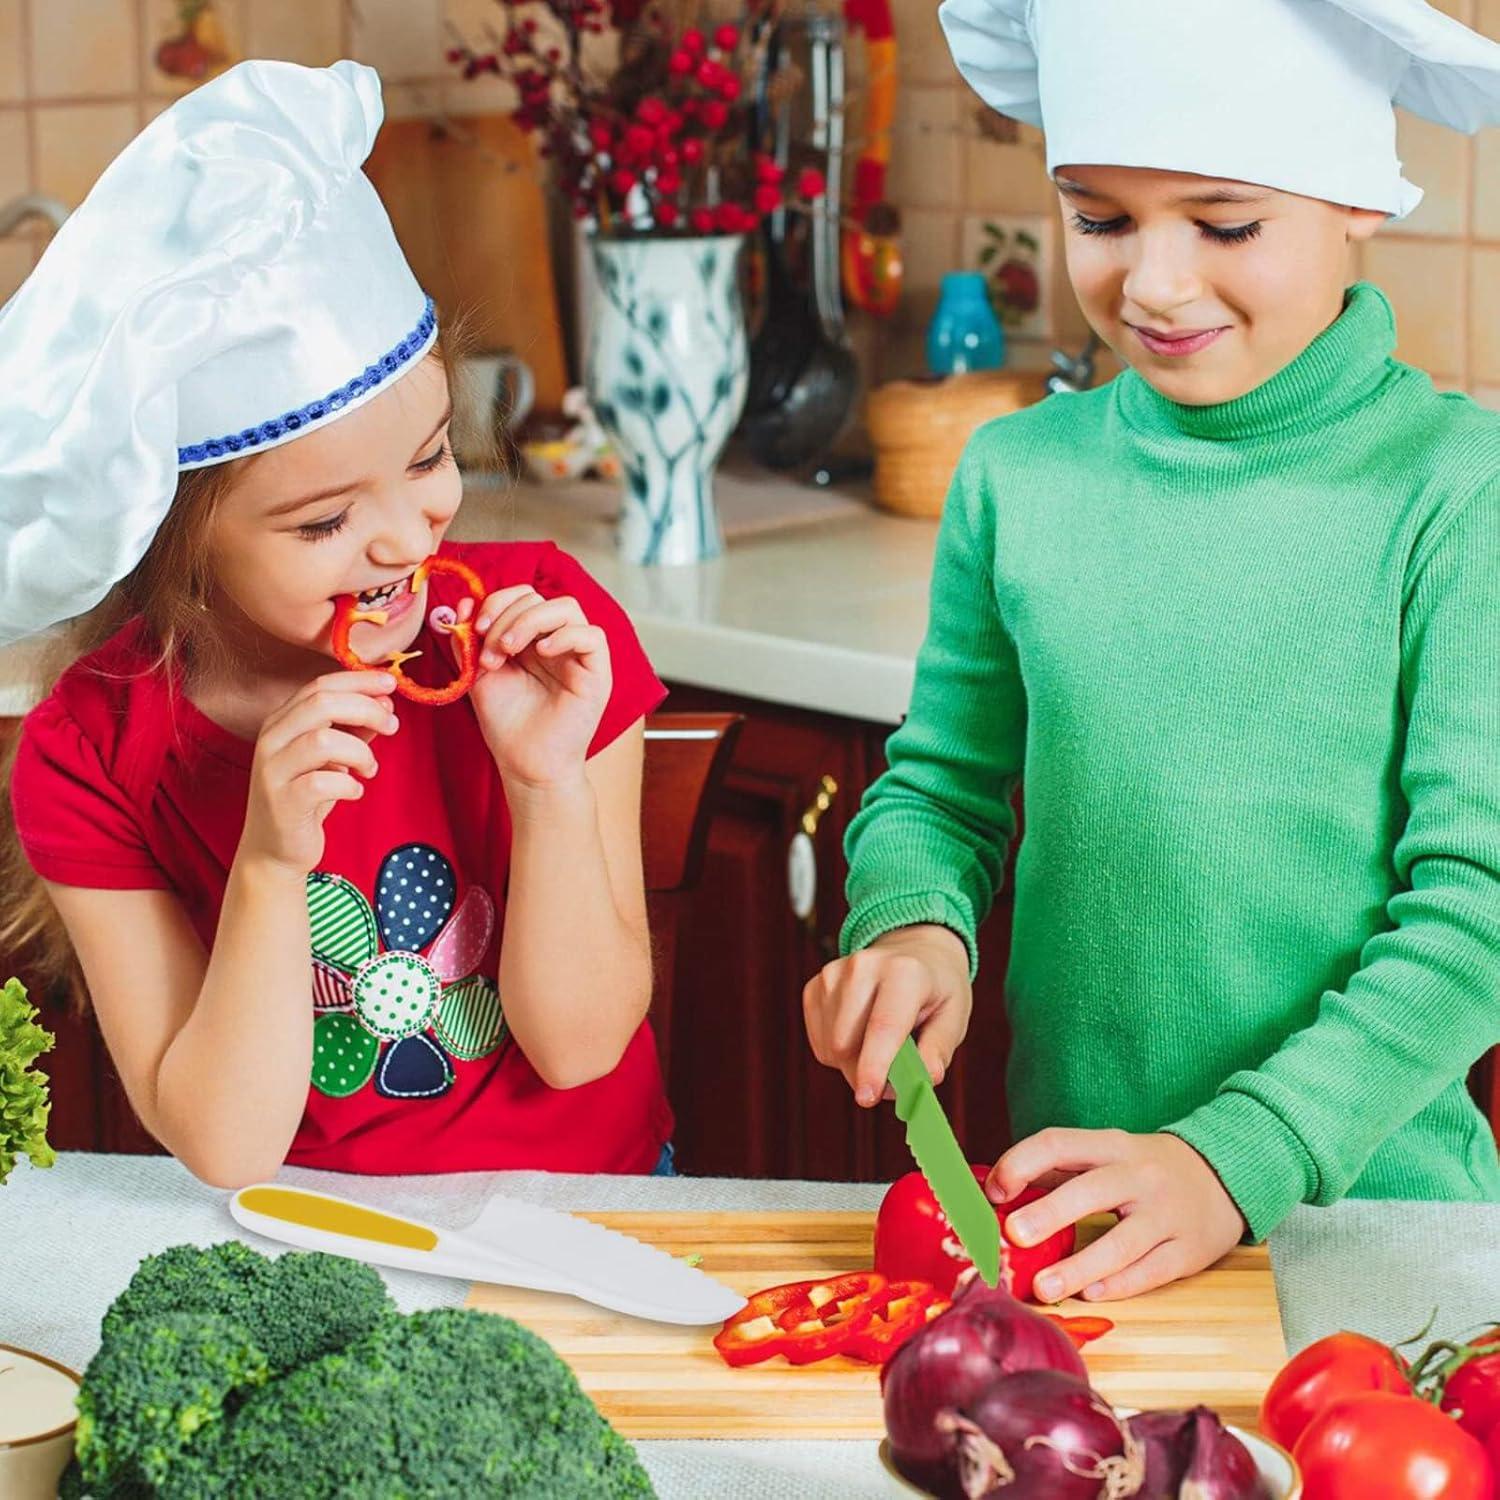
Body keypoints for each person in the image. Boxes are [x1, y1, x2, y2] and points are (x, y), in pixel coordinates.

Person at [804, 0, 1500, 1301]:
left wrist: (1237, 1158)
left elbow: (1481, 907)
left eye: (1225, 225)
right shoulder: (1018, 474)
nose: (1155, 283)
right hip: (1082, 1226)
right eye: (1101, 218)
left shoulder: (1459, 489)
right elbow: (941, 792)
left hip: (1381, 1235)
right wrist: (915, 928)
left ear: (1358, 197)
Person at [0, 60, 674, 1187]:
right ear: (180, 544)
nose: (407, 540)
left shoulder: (550, 628)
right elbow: (225, 1145)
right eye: (323, 522)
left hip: (588, 1213)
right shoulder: (86, 751)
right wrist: (271, 863)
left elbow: (581, 1046)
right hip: (311, 1233)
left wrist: (546, 783)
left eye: (430, 458)